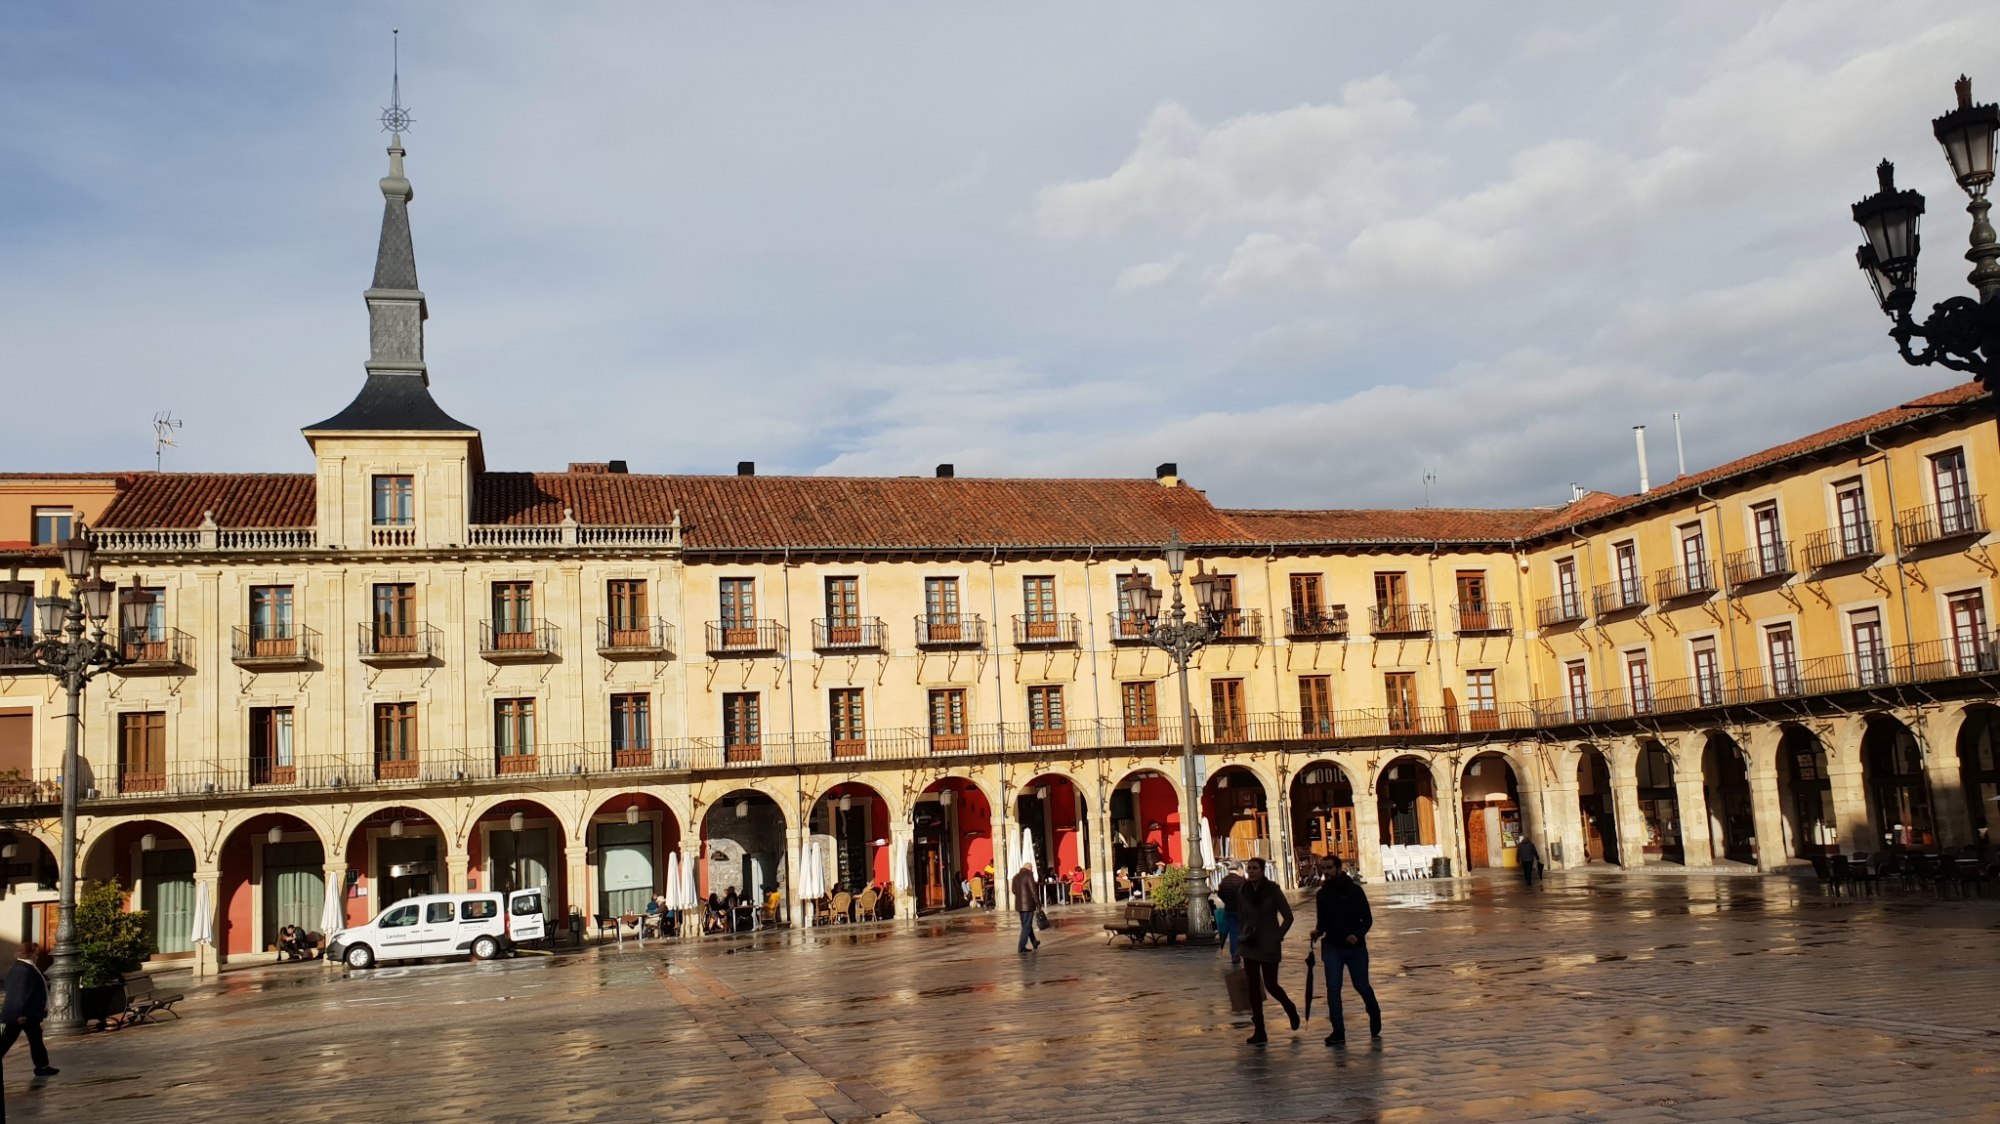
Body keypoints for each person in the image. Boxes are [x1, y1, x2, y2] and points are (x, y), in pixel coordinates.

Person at [1307, 854, 1382, 1047]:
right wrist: (1317, 932)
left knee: (1361, 986)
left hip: (1356, 948)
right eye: (1323, 868)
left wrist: (1357, 935)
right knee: (1333, 989)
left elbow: (1367, 919)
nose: (1326, 872)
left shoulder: (1354, 891)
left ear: (1339, 869)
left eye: (1329, 868)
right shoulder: (1322, 894)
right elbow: (1322, 922)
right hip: (1332, 947)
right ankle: (1338, 1030)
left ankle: (1374, 1012)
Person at [1234, 857, 1298, 1046]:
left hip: (1269, 943)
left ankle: (1289, 1007)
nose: (1251, 871)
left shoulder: (1273, 890)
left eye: (1255, 868)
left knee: (1271, 984)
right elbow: (1241, 917)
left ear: (1262, 871)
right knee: (1253, 987)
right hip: (1249, 943)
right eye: (1249, 868)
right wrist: (1238, 942)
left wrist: (1278, 936)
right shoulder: (1243, 890)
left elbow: (1288, 917)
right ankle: (1259, 1030)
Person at [1, 941, 56, 1078]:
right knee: (7, 1040)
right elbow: (20, 993)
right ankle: (42, 1067)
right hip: (22, 1014)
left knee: (35, 1039)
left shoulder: (22, 967)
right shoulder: (24, 970)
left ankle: (42, 1066)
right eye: (36, 954)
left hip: (28, 1013)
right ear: (29, 954)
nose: (37, 956)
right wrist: (20, 1014)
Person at [1213, 861, 1246, 968]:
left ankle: (1234, 954)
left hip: (1229, 910)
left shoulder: (1224, 881)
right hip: (1240, 910)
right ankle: (1245, 952)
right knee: (1244, 931)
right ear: (1239, 869)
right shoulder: (1241, 881)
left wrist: (1227, 901)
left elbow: (1220, 893)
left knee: (1233, 932)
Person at [1010, 860, 1041, 953]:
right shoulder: (1029, 875)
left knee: (1026, 924)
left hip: (1020, 905)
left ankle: (1034, 942)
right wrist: (1038, 903)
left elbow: (1013, 890)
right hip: (1028, 905)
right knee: (1027, 926)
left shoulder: (1015, 877)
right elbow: (1033, 890)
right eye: (1032, 868)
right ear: (1029, 868)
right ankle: (1021, 946)